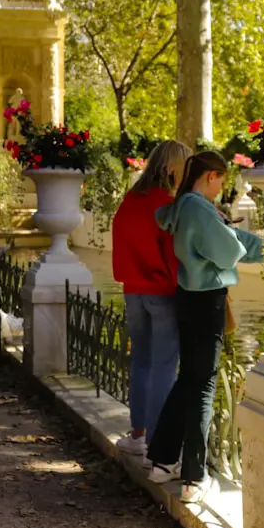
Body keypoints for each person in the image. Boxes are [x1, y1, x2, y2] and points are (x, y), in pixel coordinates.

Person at [146, 151, 264, 504]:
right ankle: (194, 479)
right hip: (205, 300)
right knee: (203, 386)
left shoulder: (184, 205)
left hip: (189, 297)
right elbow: (228, 250)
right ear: (211, 176)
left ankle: (163, 460)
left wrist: (256, 246)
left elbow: (226, 239)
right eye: (222, 181)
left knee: (190, 380)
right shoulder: (197, 207)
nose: (222, 189)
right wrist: (259, 249)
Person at [112, 140, 192, 457]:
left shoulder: (131, 199)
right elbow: (174, 256)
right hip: (162, 292)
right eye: (185, 167)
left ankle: (138, 434)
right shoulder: (166, 204)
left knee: (141, 362)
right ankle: (158, 441)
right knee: (164, 367)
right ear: (171, 167)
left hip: (133, 290)